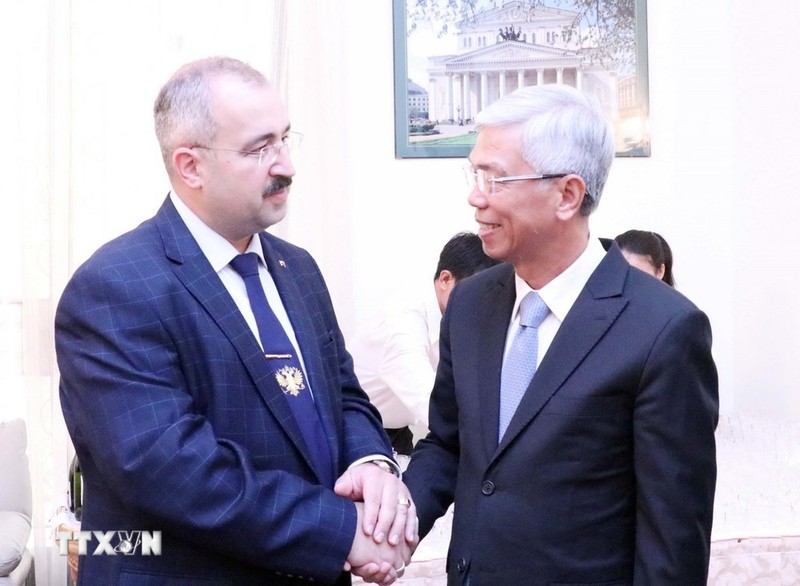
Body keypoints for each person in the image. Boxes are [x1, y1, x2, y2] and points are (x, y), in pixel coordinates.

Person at [55, 56, 416, 586]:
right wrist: (342, 532)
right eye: (260, 148)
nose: (287, 165)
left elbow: (343, 395)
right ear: (190, 166)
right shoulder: (115, 287)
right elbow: (174, 471)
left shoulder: (299, 269)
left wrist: (371, 465)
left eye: (286, 139)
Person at [403, 84, 719, 585]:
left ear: (567, 195)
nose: (474, 195)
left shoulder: (664, 329)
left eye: (495, 177)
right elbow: (448, 446)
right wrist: (388, 528)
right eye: (474, 172)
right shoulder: (469, 304)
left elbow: (672, 544)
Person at [350, 232, 500, 457]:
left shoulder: (461, 318)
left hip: (397, 432)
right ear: (445, 279)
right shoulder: (402, 322)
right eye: (475, 292)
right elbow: (434, 405)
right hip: (358, 435)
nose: (482, 304)